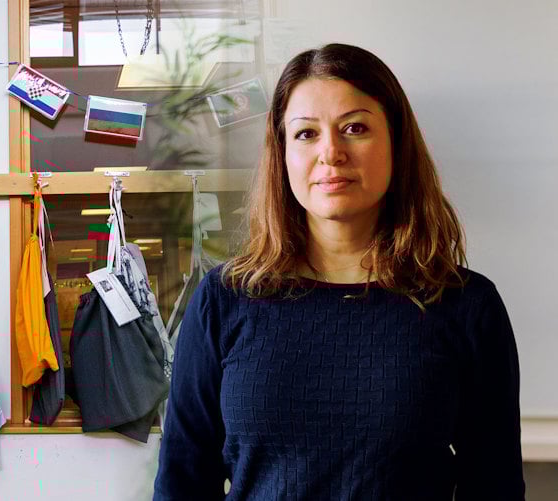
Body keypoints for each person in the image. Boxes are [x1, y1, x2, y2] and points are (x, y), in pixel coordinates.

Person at [153, 43, 524, 500]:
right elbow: (182, 481)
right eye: (306, 133)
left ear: (397, 142)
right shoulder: (224, 299)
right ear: (282, 154)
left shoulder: (466, 306)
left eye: (355, 128)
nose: (331, 152)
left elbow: (494, 486)